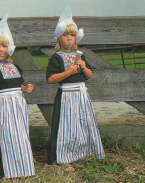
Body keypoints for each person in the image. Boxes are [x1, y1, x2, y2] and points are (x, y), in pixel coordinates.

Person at [46, 6, 105, 172]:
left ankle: (86, 151)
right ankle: (64, 158)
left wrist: (84, 67)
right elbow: (50, 79)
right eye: (65, 35)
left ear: (76, 37)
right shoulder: (56, 57)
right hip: (66, 95)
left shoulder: (80, 55)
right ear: (59, 38)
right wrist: (69, 72)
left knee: (84, 123)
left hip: (81, 94)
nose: (69, 38)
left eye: (72, 35)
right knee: (67, 126)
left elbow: (89, 76)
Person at [0, 15, 35, 179]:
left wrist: (26, 88)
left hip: (17, 106)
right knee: (0, 136)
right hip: (1, 105)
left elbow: (19, 86)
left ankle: (20, 166)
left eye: (4, 45)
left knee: (19, 136)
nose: (0, 49)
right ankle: (0, 170)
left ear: (9, 48)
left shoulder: (15, 67)